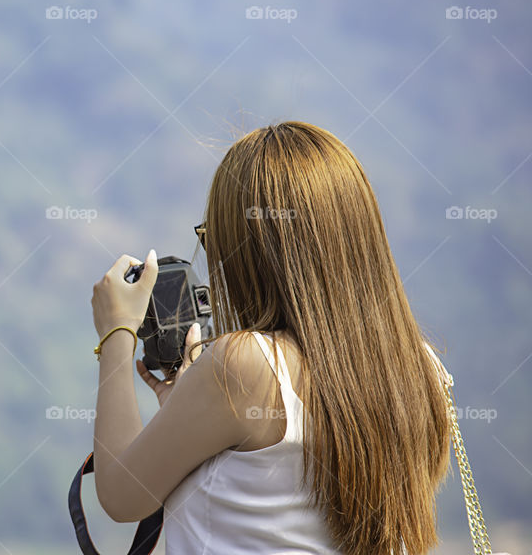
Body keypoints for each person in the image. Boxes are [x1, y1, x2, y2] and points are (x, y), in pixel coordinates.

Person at [90, 121, 456, 554]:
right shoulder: (423, 367)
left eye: (213, 238)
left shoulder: (246, 363)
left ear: (252, 247)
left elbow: (120, 494)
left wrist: (117, 332)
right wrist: (187, 409)